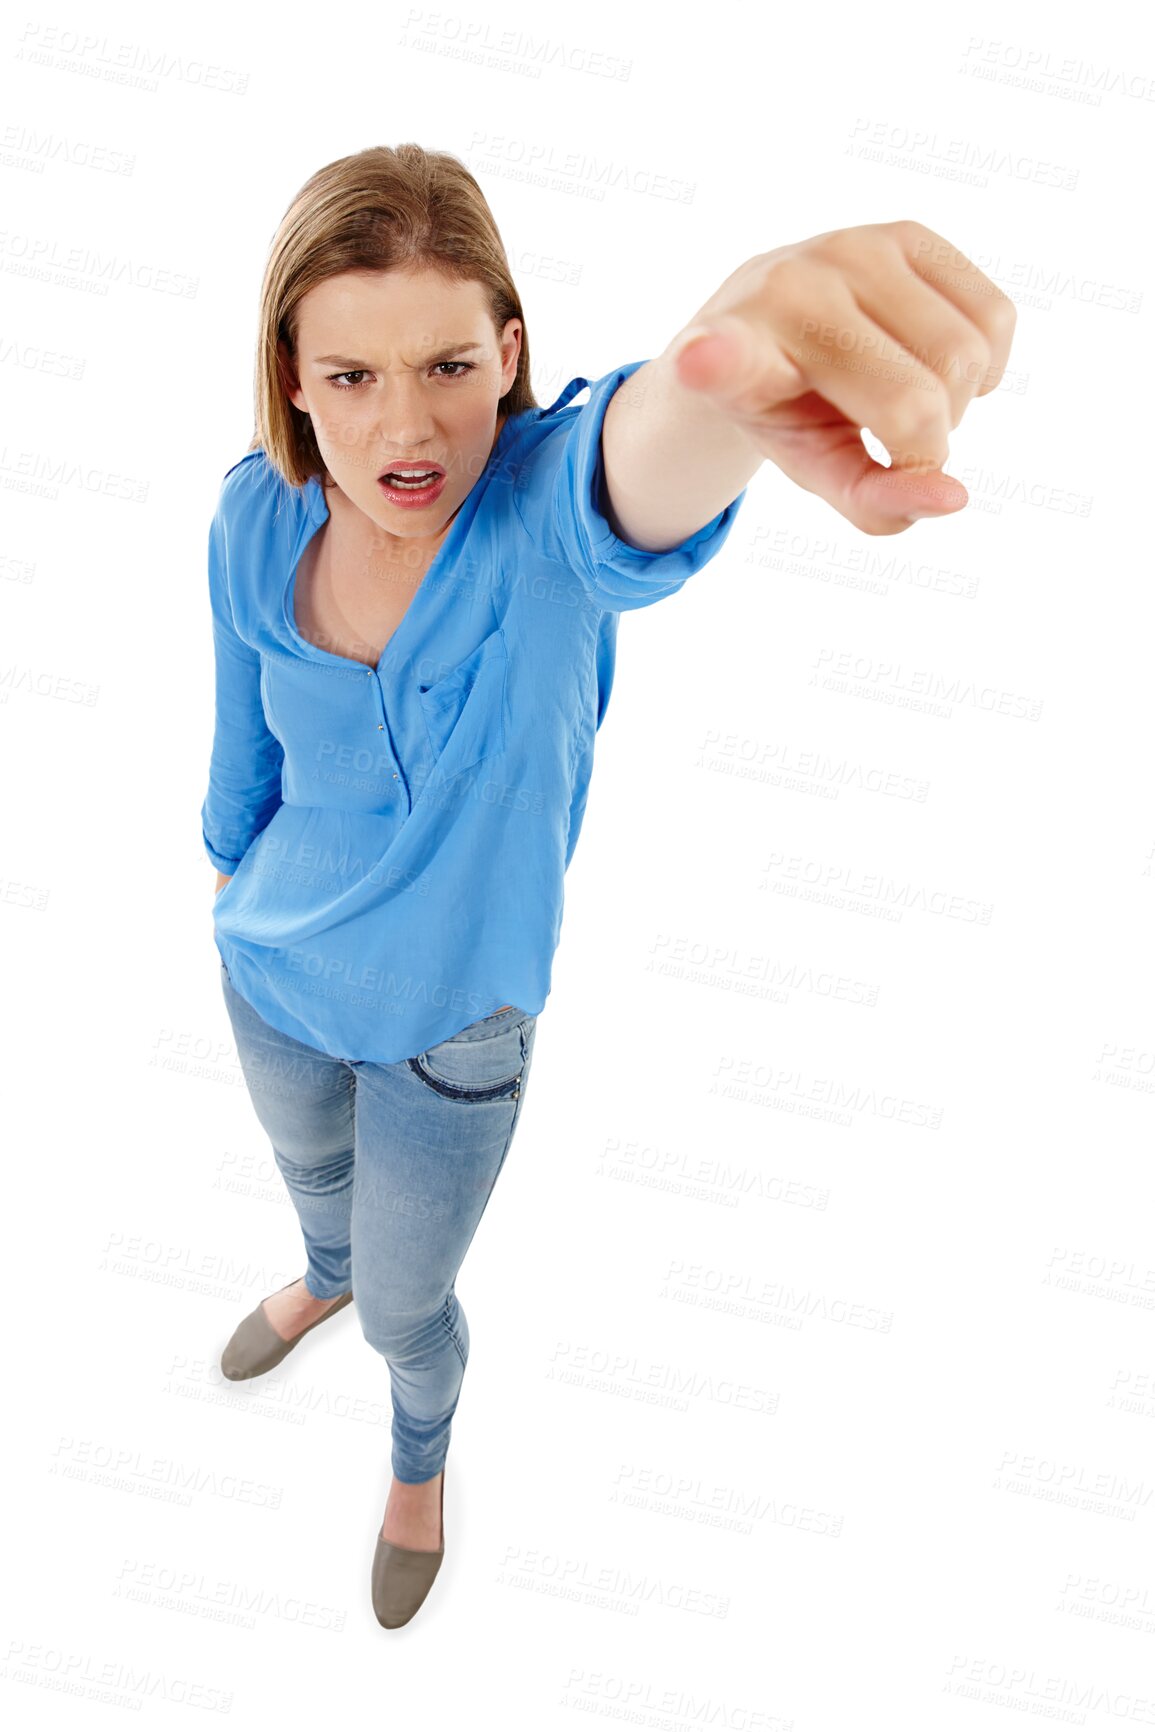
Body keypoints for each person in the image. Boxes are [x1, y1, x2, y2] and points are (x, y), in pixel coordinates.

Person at [202, 144, 1015, 1630]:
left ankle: (416, 1459)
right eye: (353, 375)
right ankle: (315, 1269)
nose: (408, 426)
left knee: (408, 1308)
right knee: (318, 1197)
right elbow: (239, 744)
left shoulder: (537, 536)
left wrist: (726, 369)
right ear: (296, 377)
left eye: (450, 364)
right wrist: (222, 866)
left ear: (509, 354)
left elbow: (632, 461)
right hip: (268, 979)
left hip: (453, 1036)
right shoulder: (253, 515)